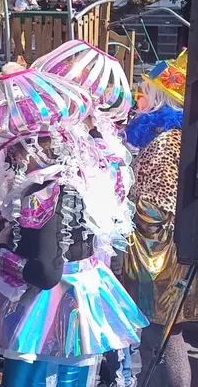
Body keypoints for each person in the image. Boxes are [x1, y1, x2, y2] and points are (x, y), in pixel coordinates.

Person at [0, 70, 146, 387]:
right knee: (73, 375)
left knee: (37, 376)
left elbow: (45, 273)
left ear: (33, 149)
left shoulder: (41, 192)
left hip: (47, 307)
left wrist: (1, 258)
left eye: (16, 150)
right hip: (81, 292)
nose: (14, 159)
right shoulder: (80, 179)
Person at [119, 51, 189, 387]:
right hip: (156, 255)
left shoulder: (164, 142)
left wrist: (121, 206)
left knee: (163, 335)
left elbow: (157, 205)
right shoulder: (169, 137)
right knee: (155, 336)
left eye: (143, 91)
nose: (139, 98)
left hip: (157, 259)